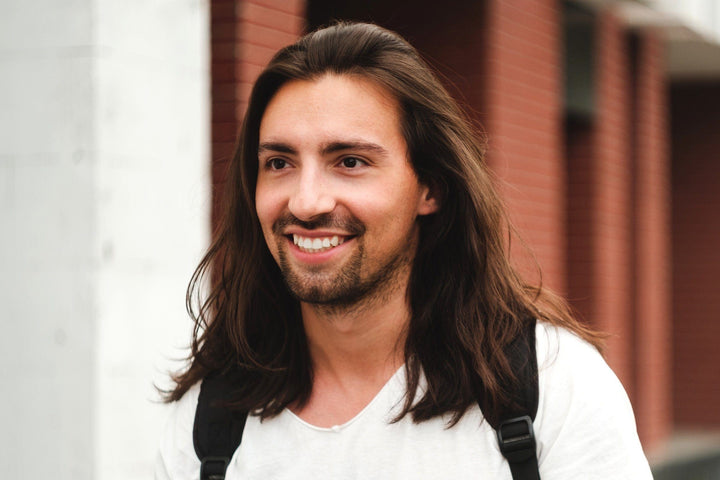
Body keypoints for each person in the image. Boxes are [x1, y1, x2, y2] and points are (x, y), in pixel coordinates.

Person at [156, 22, 653, 479]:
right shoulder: (211, 415)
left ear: (430, 188)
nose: (306, 201)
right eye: (280, 162)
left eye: (349, 161)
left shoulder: (550, 385)